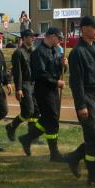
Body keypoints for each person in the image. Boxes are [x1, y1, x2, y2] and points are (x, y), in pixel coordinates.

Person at [66, 16, 95, 188]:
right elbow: (76, 82)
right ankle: (94, 176)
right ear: (84, 29)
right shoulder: (77, 52)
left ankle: (75, 156)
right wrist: (81, 105)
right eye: (94, 27)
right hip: (86, 96)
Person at [17, 27, 66, 161]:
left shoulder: (55, 51)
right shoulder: (38, 52)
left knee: (48, 118)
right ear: (51, 36)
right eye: (59, 38)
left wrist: (64, 65)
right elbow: (40, 75)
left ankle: (27, 138)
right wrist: (56, 82)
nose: (60, 40)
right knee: (52, 118)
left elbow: (58, 71)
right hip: (43, 90)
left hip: (53, 89)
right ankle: (54, 153)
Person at [6, 29, 37, 142]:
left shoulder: (33, 51)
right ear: (24, 38)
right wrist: (18, 89)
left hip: (34, 84)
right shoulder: (18, 52)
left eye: (33, 36)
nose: (33, 38)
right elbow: (17, 72)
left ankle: (32, 136)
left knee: (36, 111)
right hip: (24, 84)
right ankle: (11, 126)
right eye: (30, 36)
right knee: (28, 111)